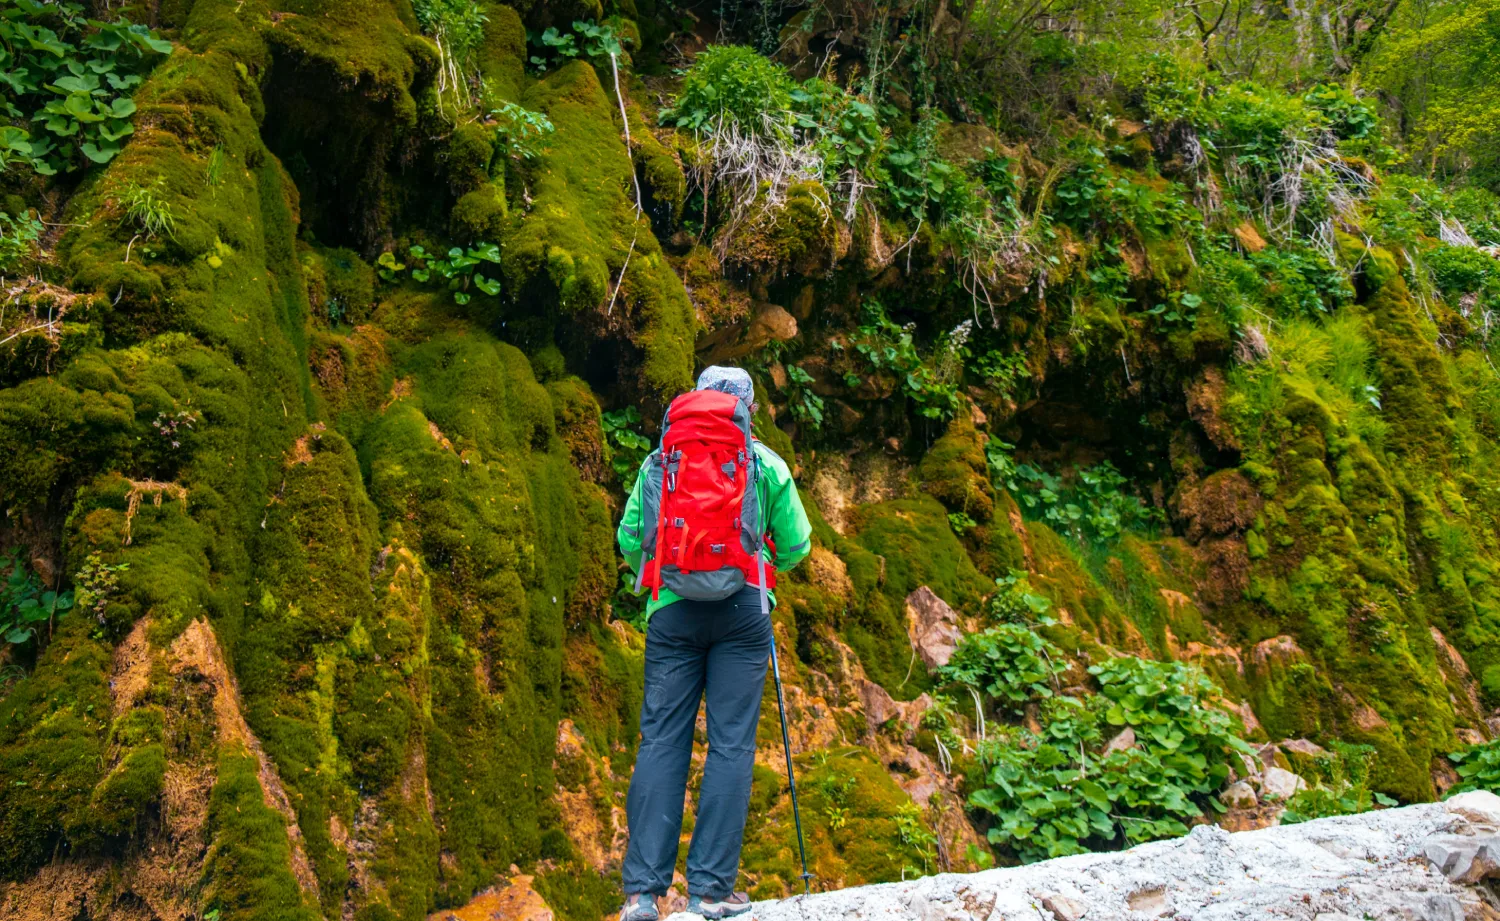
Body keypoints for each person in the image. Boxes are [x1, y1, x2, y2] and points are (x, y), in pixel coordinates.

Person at [615, 366, 813, 921]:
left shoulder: (661, 460)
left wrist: (668, 576)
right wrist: (760, 558)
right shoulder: (764, 463)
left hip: (671, 613)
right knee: (730, 746)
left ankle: (642, 895)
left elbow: (630, 537)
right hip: (742, 614)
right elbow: (797, 544)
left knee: (660, 741)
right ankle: (709, 891)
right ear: (747, 408)